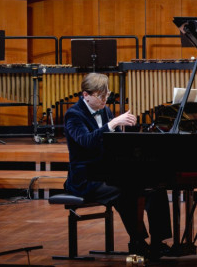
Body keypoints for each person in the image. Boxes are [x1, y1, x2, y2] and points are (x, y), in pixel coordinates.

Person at [64, 73, 172, 258]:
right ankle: (137, 242)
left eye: (107, 95)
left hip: (106, 171)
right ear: (85, 95)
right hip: (85, 178)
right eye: (100, 96)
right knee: (128, 191)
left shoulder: (104, 110)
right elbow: (86, 141)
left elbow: (112, 143)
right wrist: (113, 123)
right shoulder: (73, 115)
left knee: (155, 186)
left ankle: (158, 242)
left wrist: (129, 129)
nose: (105, 100)